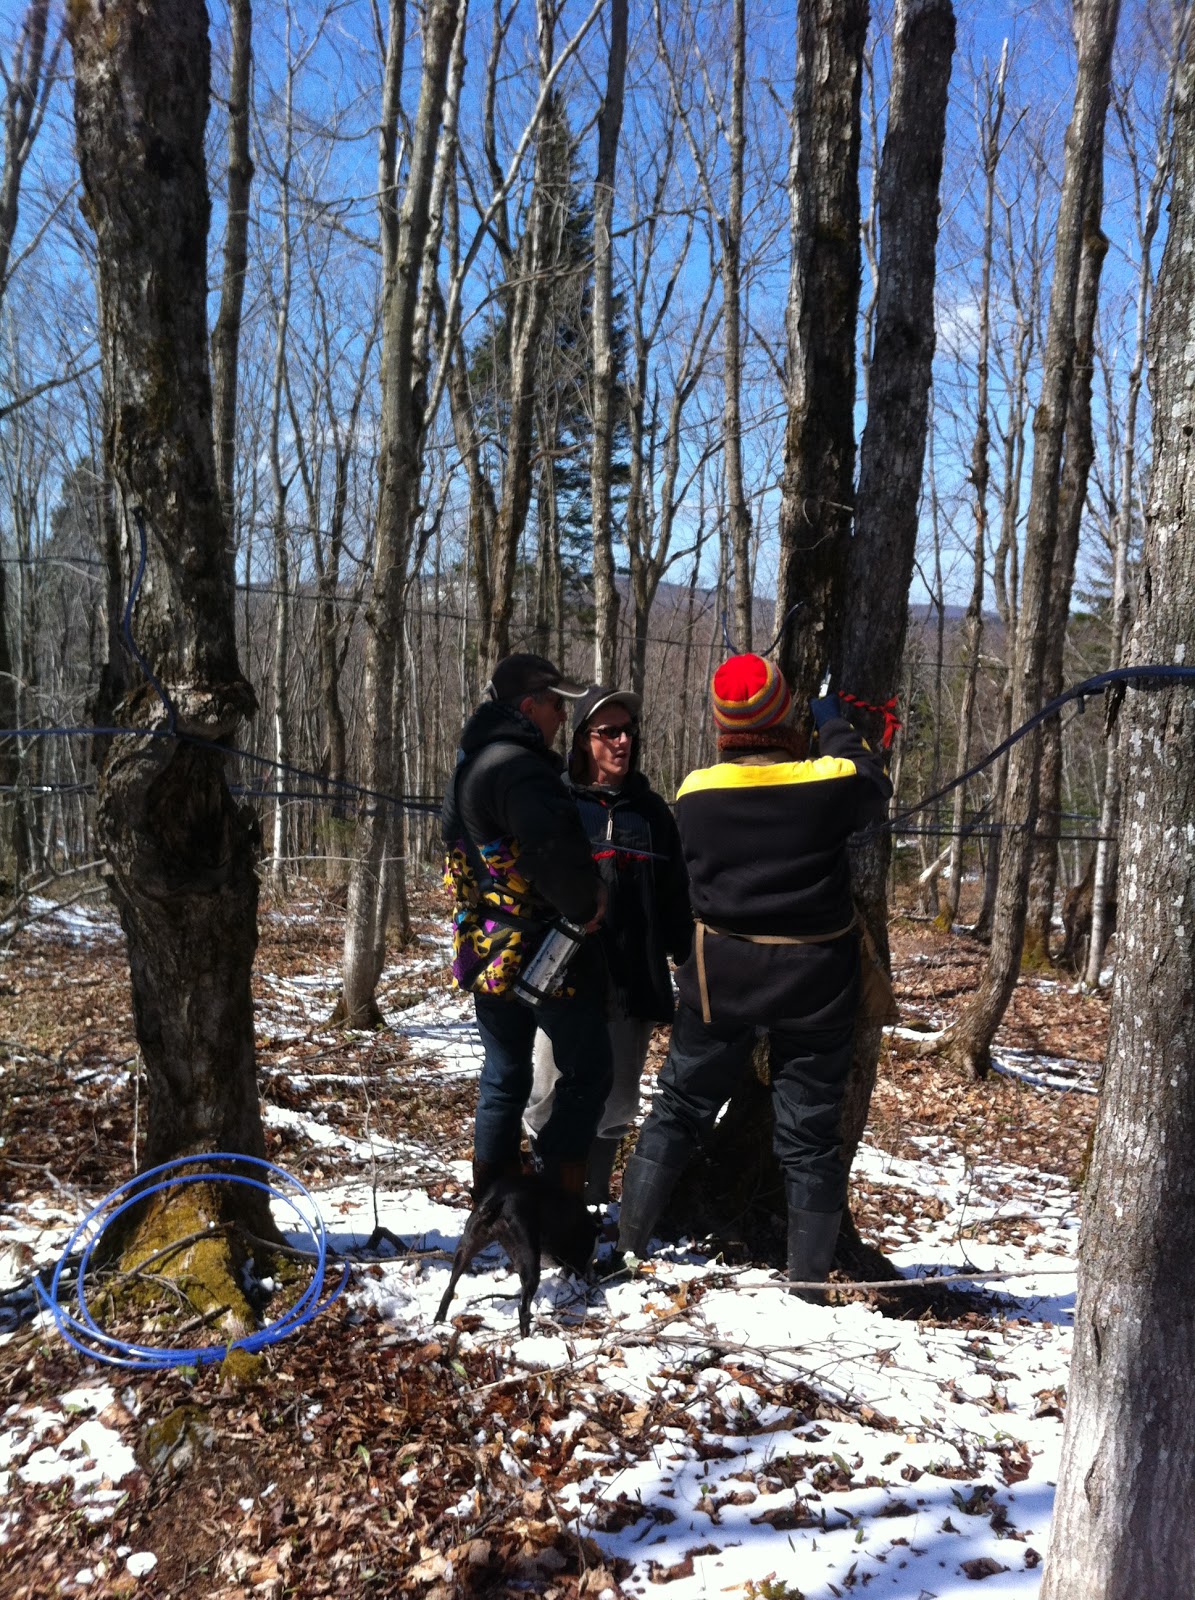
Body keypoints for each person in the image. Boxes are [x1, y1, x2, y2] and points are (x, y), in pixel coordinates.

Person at [616, 653, 893, 1298]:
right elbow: (870, 783)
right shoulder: (828, 778)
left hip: (723, 978)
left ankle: (626, 1248)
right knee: (811, 1132)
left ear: (724, 726)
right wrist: (832, 719)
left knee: (681, 1107)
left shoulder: (695, 792)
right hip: (817, 981)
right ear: (783, 714)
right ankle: (805, 1283)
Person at [442, 653, 612, 1199]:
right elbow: (549, 852)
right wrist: (588, 902)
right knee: (589, 1070)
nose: (564, 716)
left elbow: (458, 846)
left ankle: (491, 1199)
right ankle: (556, 1194)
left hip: (486, 946)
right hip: (541, 947)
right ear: (528, 706)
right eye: (556, 705)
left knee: (506, 1071)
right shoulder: (517, 768)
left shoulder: (471, 761)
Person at [523, 686, 693, 1203]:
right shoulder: (559, 802)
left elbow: (674, 898)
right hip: (563, 977)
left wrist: (688, 958)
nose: (622, 742)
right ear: (581, 740)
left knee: (617, 1100)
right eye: (609, 732)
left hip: (629, 979)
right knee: (546, 1091)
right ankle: (544, 1195)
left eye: (628, 732)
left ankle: (592, 1200)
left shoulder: (652, 813)